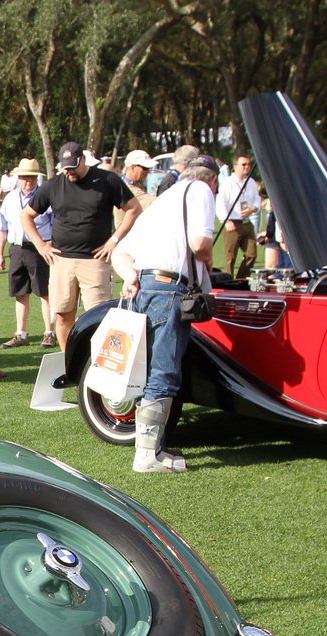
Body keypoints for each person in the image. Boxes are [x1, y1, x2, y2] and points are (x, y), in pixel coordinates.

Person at [110, 155, 221, 473]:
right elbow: (200, 243)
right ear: (211, 179)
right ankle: (146, 456)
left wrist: (131, 277)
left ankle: (152, 448)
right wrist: (209, 262)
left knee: (153, 368)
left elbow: (121, 253)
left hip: (147, 284)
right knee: (164, 370)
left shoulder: (163, 199)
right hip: (169, 288)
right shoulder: (201, 190)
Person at [24, 141, 142, 352]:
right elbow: (26, 215)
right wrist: (40, 245)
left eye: (74, 166)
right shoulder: (53, 185)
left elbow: (133, 208)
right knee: (62, 315)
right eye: (66, 167)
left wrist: (114, 240)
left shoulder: (107, 180)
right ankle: (68, 362)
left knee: (99, 316)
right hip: (61, 261)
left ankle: (96, 362)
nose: (70, 172)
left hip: (95, 261)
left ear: (84, 160)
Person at [0, 159, 54, 349]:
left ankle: (49, 333)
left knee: (44, 293)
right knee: (20, 293)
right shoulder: (10, 198)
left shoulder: (46, 197)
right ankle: (21, 333)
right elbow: (1, 228)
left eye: (30, 176)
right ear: (18, 178)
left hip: (40, 248)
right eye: (23, 177)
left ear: (37, 177)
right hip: (17, 248)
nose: (27, 180)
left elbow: (57, 224)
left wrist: (50, 244)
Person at [216, 154, 261, 279]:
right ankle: (229, 280)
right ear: (235, 166)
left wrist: (253, 209)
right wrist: (226, 220)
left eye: (248, 164)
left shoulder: (251, 182)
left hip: (247, 222)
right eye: (244, 164)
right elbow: (221, 203)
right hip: (233, 223)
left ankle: (240, 279)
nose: (247, 167)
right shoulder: (227, 183)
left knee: (251, 254)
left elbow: (257, 198)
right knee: (230, 256)